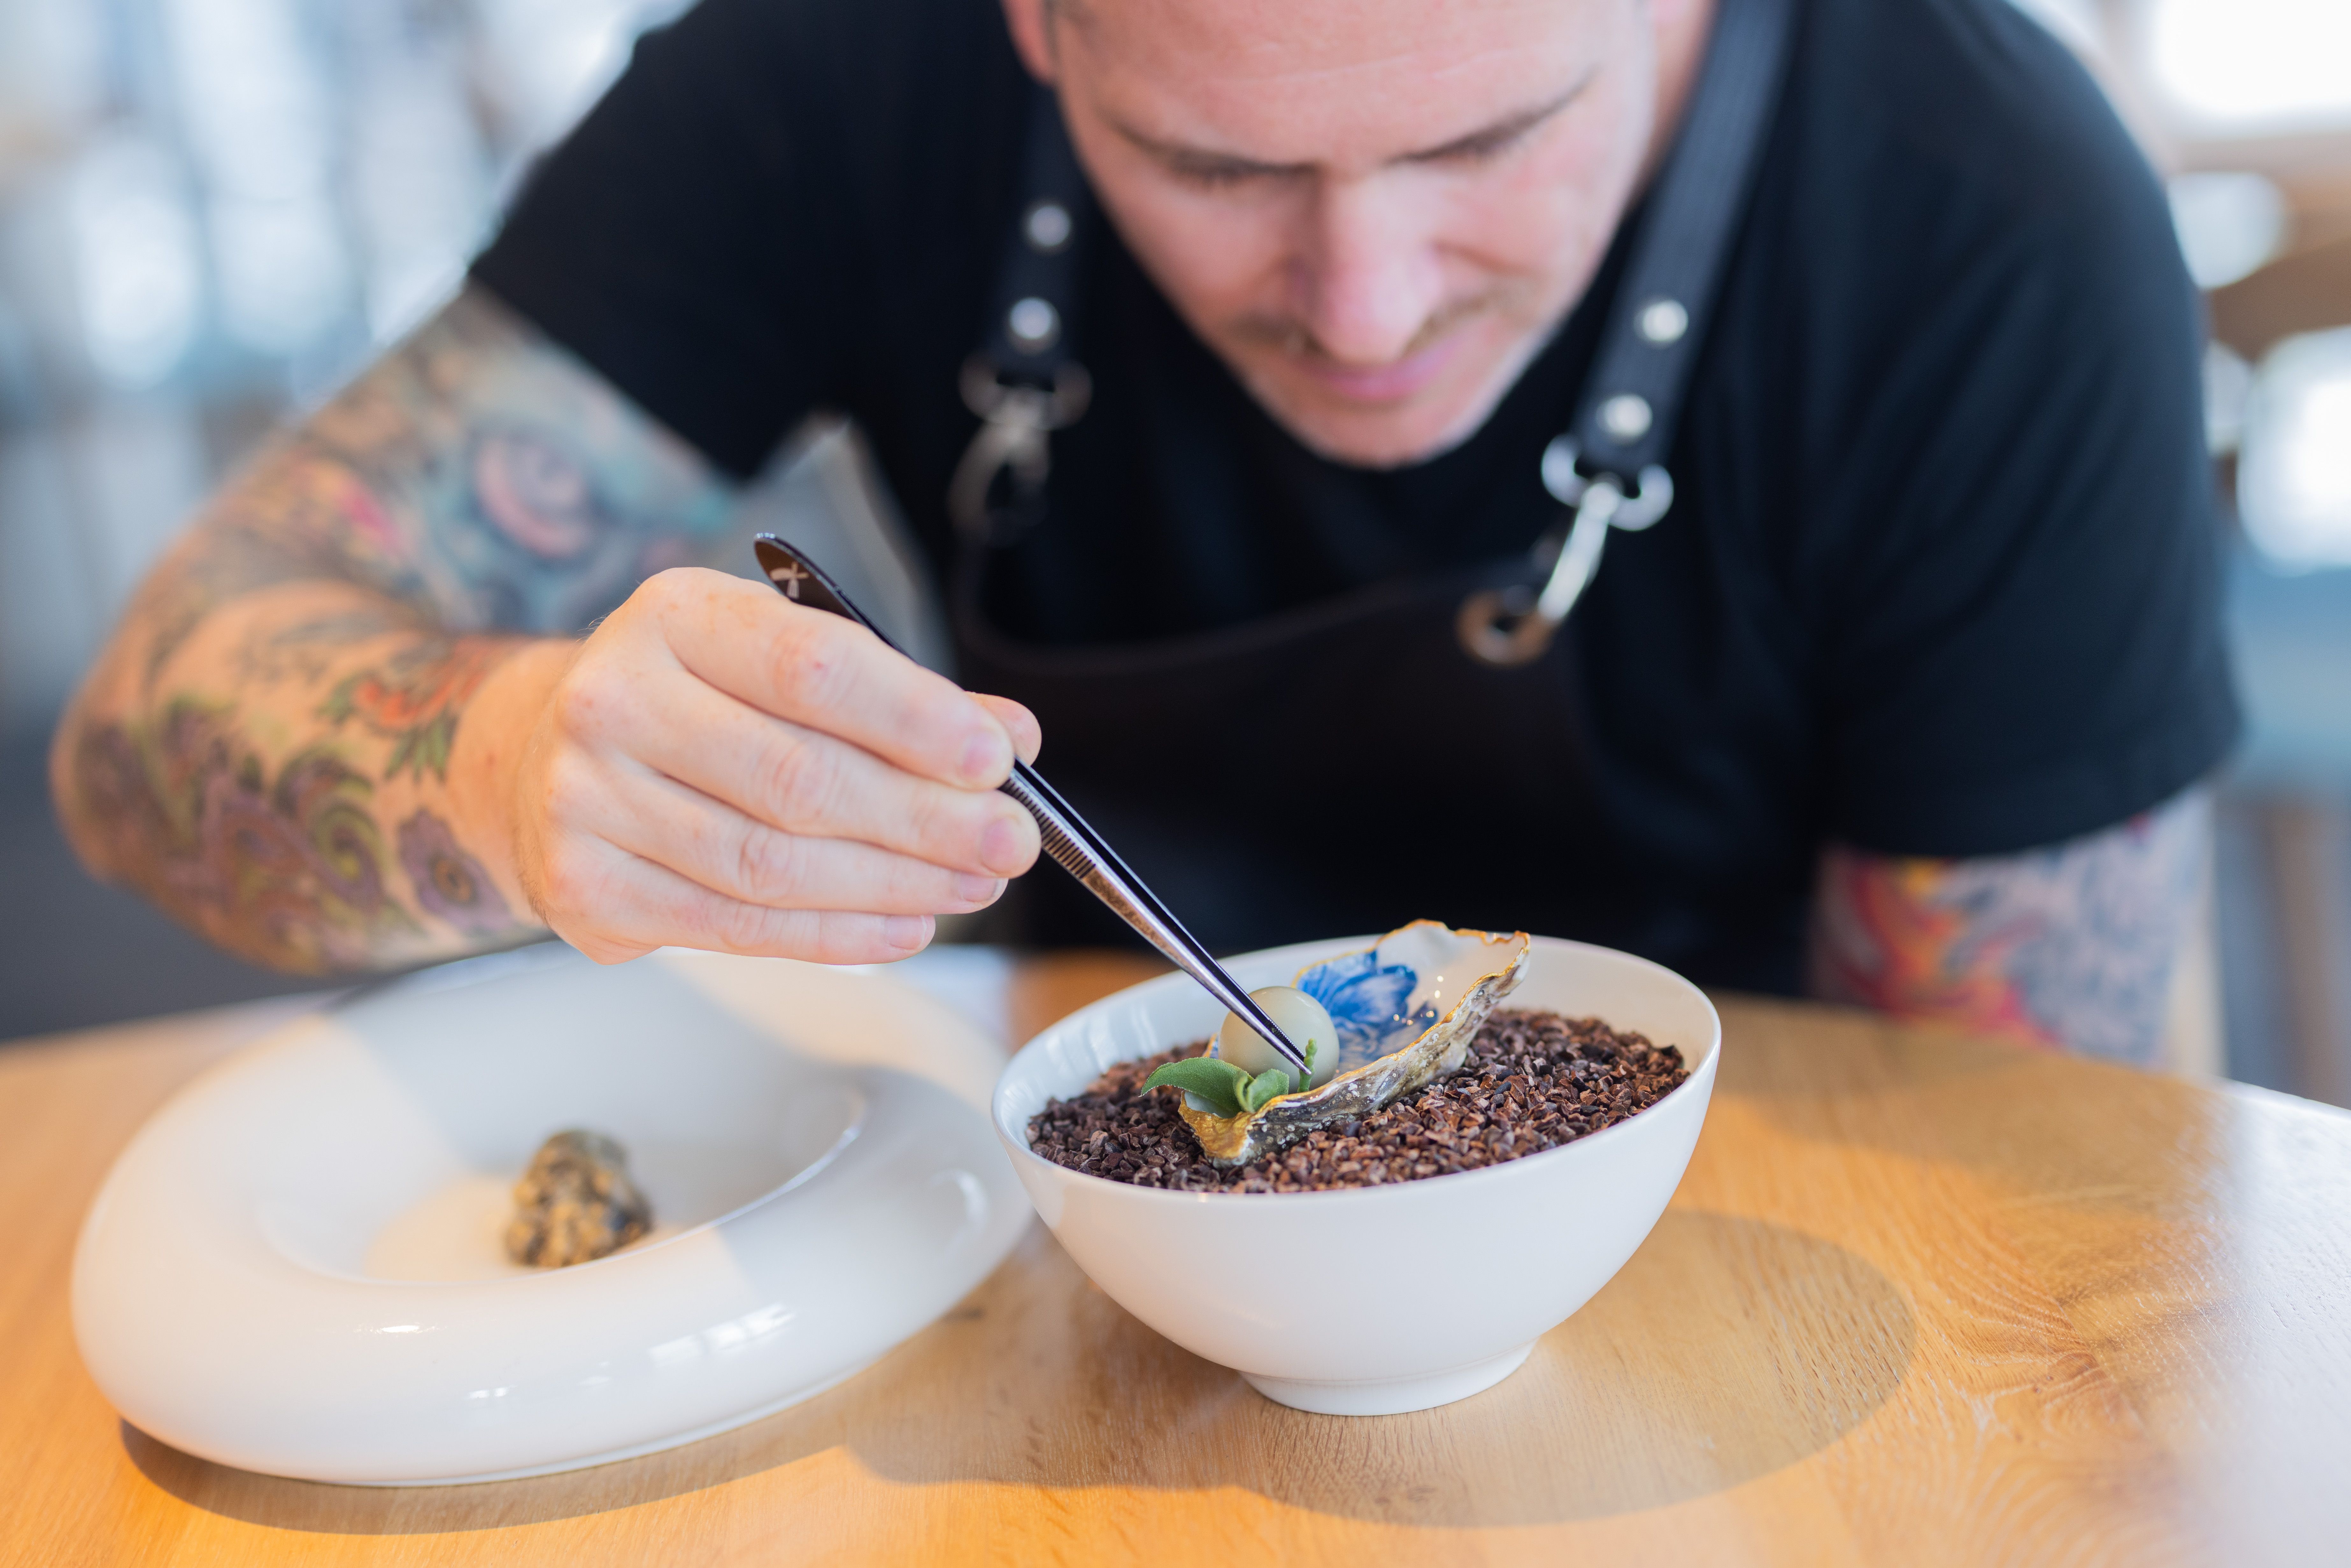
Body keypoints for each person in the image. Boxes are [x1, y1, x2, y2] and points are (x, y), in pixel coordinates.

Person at [52, 0, 2236, 1066]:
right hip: (1052, 1246)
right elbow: (144, 725)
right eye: (1215, 169)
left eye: (1492, 138)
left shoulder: (1985, 227)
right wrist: (510, 769)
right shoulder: (838, 71)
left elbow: (2030, 1173)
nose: (1366, 311)